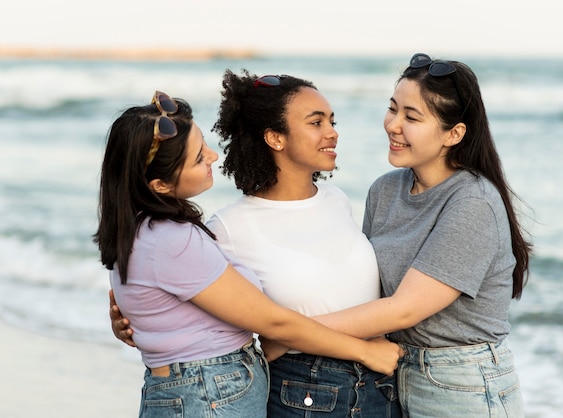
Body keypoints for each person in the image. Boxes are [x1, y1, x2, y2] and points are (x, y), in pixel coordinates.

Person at [110, 72, 402, 417]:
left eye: (332, 120)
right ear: (275, 138)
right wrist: (132, 320)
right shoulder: (227, 228)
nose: (332, 132)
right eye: (316, 122)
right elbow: (170, 290)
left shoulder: (336, 199)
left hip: (378, 385)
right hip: (300, 390)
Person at [293, 52, 532, 417]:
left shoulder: (473, 202)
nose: (393, 125)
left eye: (412, 117)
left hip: (463, 385)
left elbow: (403, 310)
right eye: (393, 109)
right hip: (390, 378)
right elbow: (366, 289)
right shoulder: (385, 191)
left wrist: (290, 334)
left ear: (454, 133)